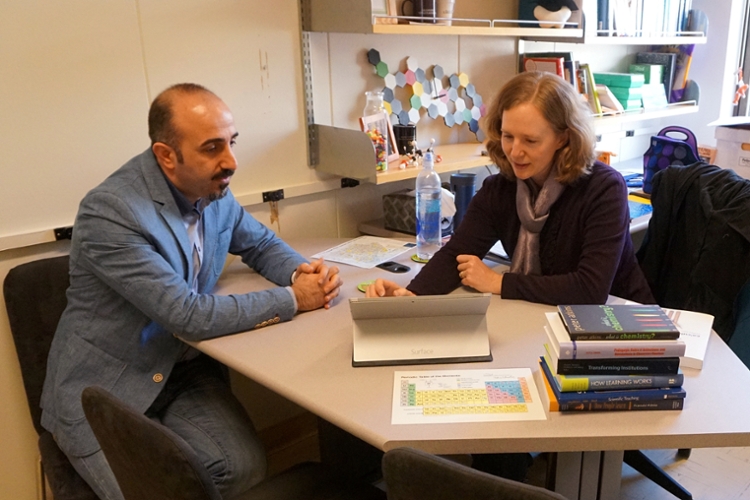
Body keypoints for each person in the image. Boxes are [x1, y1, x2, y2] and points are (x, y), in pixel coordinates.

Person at [40, 83, 342, 500]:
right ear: (166, 155)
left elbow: (259, 243)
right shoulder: (111, 211)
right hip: (107, 388)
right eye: (213, 147)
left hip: (180, 371)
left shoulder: (212, 189)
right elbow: (188, 314)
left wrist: (302, 274)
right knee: (156, 491)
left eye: (232, 143)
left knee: (244, 469)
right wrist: (295, 299)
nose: (231, 161)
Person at [367, 71, 654, 306]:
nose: (515, 152)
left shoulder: (604, 190)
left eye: (530, 141)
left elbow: (589, 291)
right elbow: (457, 253)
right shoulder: (500, 188)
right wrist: (411, 296)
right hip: (544, 318)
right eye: (508, 136)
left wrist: (499, 282)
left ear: (563, 139)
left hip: (622, 323)